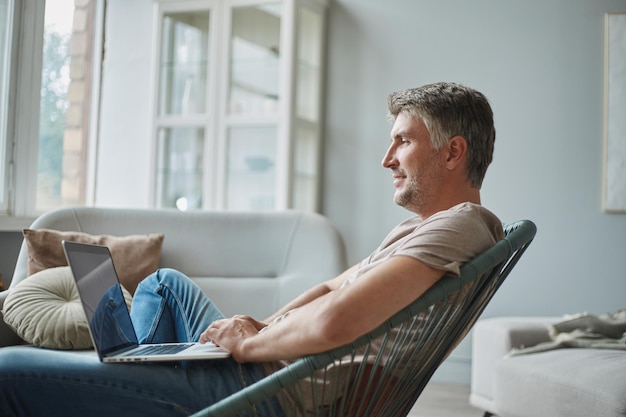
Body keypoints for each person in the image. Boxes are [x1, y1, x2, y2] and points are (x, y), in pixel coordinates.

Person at [0, 82, 504, 417]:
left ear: (453, 151)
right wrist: (266, 325)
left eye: (402, 142)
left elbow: (335, 323)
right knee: (163, 283)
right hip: (269, 367)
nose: (386, 158)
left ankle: (126, 378)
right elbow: (333, 287)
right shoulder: (422, 228)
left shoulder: (463, 225)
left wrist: (247, 345)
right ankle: (136, 363)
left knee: (10, 370)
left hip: (270, 395)